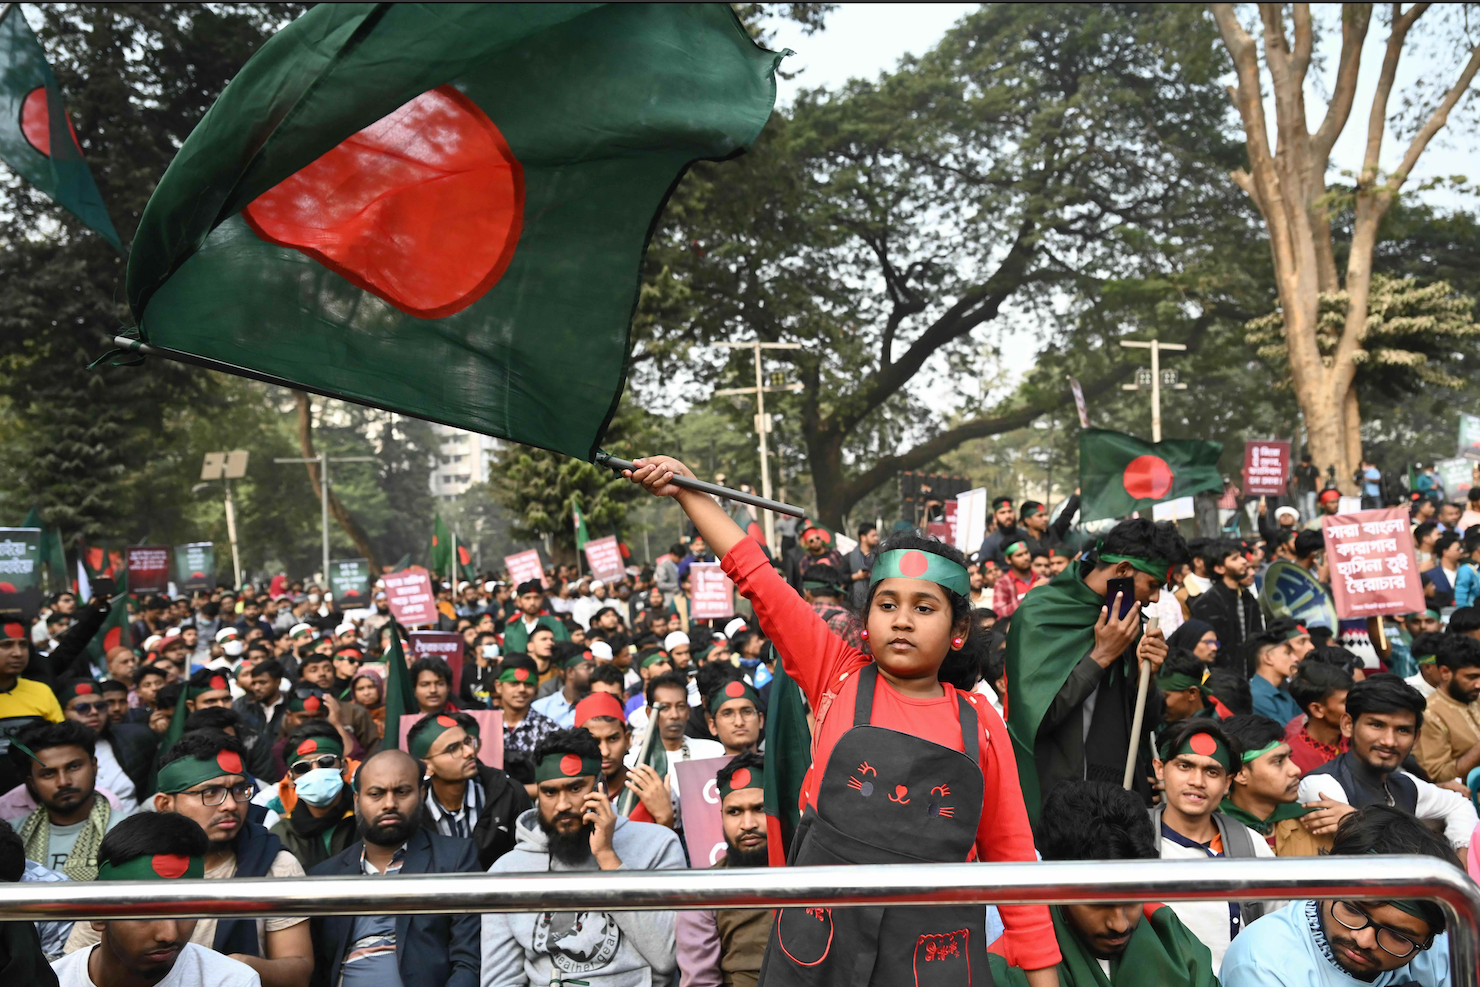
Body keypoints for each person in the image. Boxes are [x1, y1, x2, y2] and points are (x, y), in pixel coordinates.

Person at [625, 455, 1060, 984]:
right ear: (866, 617)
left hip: (935, 956)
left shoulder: (982, 722)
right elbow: (756, 574)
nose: (902, 620)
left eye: (924, 608)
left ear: (958, 628)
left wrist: (1043, 978)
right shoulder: (835, 674)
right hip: (819, 945)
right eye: (887, 605)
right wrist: (687, 489)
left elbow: (1013, 860)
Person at [62, 732, 313, 987]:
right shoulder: (131, 865)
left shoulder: (275, 865)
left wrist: (234, 969)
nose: (230, 805)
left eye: (239, 789)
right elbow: (79, 965)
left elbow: (299, 971)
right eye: (210, 792)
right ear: (164, 804)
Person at [481, 728, 685, 987]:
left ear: (601, 786)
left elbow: (666, 958)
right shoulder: (507, 871)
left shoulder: (658, 844)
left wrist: (608, 858)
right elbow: (500, 980)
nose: (563, 804)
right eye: (550, 792)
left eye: (575, 788)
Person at [1006, 518, 1182, 816]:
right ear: (1123, 570)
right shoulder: (1041, 613)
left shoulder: (1130, 621)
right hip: (1059, 800)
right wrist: (1101, 656)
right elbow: (1036, 719)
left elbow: (1147, 720)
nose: (1154, 599)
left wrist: (1145, 677)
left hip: (1121, 798)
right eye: (1152, 585)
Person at [988, 780, 1217, 987]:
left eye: (1133, 900)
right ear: (1055, 887)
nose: (1119, 923)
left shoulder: (1173, 940)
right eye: (1099, 904)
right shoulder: (1006, 969)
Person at [1220, 805, 1452, 987]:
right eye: (1353, 910)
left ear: (1428, 941)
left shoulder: (1441, 948)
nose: (1364, 941)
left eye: (1397, 936)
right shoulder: (1263, 965)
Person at [309, 749, 481, 987]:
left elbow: (469, 962)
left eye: (401, 792)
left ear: (421, 794)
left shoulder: (454, 859)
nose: (389, 804)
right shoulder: (325, 876)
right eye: (376, 794)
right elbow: (315, 970)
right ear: (357, 801)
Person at [51, 813, 260, 987]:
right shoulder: (53, 982)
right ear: (98, 914)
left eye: (185, 909)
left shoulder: (232, 982)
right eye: (146, 911)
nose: (169, 934)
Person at [1298, 674, 1477, 851]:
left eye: (1403, 730)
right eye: (1376, 725)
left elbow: (1459, 803)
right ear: (1348, 725)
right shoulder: (1322, 787)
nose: (1389, 741)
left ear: (1416, 738)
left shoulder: (1405, 784)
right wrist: (1359, 823)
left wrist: (1463, 849)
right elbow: (1372, 861)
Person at [1149, 719, 1274, 967]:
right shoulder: (1133, 841)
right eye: (1185, 766)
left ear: (1228, 782)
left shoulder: (1250, 846)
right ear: (1160, 768)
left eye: (1212, 771)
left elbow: (1275, 934)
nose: (1197, 781)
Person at [675, 753, 772, 987]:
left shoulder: (809, 876)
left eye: (759, 808)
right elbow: (700, 981)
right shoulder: (705, 890)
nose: (748, 824)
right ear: (721, 816)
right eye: (735, 812)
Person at [410, 710, 529, 869]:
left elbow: (527, 860)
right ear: (427, 767)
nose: (470, 752)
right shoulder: (414, 810)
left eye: (467, 741)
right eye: (453, 748)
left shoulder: (508, 794)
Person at [6, 720, 124, 879]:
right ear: (32, 782)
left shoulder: (127, 831)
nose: (63, 782)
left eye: (74, 767)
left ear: (94, 766)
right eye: (48, 773)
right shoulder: (11, 836)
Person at [1219, 714, 1325, 856]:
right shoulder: (1211, 828)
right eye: (1278, 761)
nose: (1295, 770)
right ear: (1241, 774)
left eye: (1289, 757)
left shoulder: (1317, 824)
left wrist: (1351, 826)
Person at [53, 679, 155, 815]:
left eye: (100, 706)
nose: (94, 712)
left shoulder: (135, 738)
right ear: (62, 712)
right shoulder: (51, 753)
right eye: (82, 708)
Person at [266, 722, 359, 871]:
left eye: (326, 762)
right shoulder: (280, 836)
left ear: (344, 766)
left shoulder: (366, 819)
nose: (316, 772)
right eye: (303, 767)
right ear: (290, 779)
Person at [574, 693, 673, 827]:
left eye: (613, 739)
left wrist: (665, 818)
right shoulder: (568, 794)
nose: (605, 751)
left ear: (627, 740)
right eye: (594, 741)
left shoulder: (652, 790)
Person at [1413, 632, 1480, 787]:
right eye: (1471, 677)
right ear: (1445, 673)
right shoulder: (1429, 714)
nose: (1479, 684)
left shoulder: (1475, 698)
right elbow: (1440, 777)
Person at [1190, 541, 1263, 658]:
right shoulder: (1207, 603)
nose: (1244, 561)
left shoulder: (1248, 598)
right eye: (1235, 559)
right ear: (1219, 568)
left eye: (1241, 556)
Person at [1283, 660, 1353, 773]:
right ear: (1317, 709)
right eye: (1346, 702)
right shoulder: (1292, 758)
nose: (1355, 706)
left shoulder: (1359, 742)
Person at [494, 654, 557, 757]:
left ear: (535, 688)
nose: (522, 689)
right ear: (498, 686)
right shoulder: (486, 726)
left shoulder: (549, 730)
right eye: (514, 684)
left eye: (528, 684)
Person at [1247, 630, 1302, 725]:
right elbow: (1285, 734)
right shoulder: (1255, 696)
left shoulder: (1284, 693)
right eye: (1287, 653)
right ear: (1268, 658)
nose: (1295, 659)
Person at [501, 580, 569, 655]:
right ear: (519, 601)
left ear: (542, 599)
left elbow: (564, 651)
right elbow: (507, 655)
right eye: (527, 598)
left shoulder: (555, 623)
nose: (532, 602)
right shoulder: (512, 626)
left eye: (536, 597)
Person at [529, 649, 593, 728]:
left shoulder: (597, 705)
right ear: (570, 672)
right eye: (587, 667)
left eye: (595, 667)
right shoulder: (541, 708)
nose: (593, 671)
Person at [705, 679, 764, 756]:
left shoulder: (780, 767)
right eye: (727, 714)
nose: (739, 722)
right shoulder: (704, 768)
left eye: (747, 712)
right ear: (713, 726)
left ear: (760, 720)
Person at [1155, 649, 1211, 725]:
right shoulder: (1155, 728)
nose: (1158, 703)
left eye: (1164, 696)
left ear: (1192, 693)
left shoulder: (1216, 732)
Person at [992, 540, 1041, 619]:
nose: (1026, 558)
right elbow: (999, 613)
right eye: (1019, 555)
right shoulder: (1003, 583)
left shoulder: (1040, 578)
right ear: (1008, 560)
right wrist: (1030, 595)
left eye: (1026, 552)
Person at [844, 522, 880, 609]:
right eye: (873, 536)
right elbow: (841, 577)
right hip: (854, 604)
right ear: (863, 537)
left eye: (876, 535)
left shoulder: (880, 556)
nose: (876, 538)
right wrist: (857, 576)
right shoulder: (849, 557)